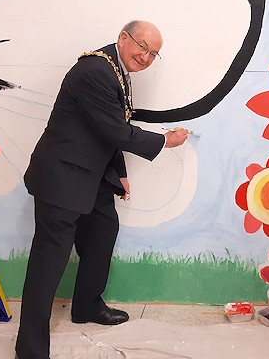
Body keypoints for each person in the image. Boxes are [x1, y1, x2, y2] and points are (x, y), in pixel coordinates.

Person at [15, 20, 188, 359]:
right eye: (143, 47)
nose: (147, 56)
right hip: (62, 178)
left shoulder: (116, 69)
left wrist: (119, 173)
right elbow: (116, 131)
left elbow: (108, 126)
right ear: (124, 38)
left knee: (103, 230)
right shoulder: (95, 70)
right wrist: (165, 141)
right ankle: (30, 350)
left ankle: (87, 306)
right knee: (48, 264)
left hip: (91, 175)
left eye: (154, 54)